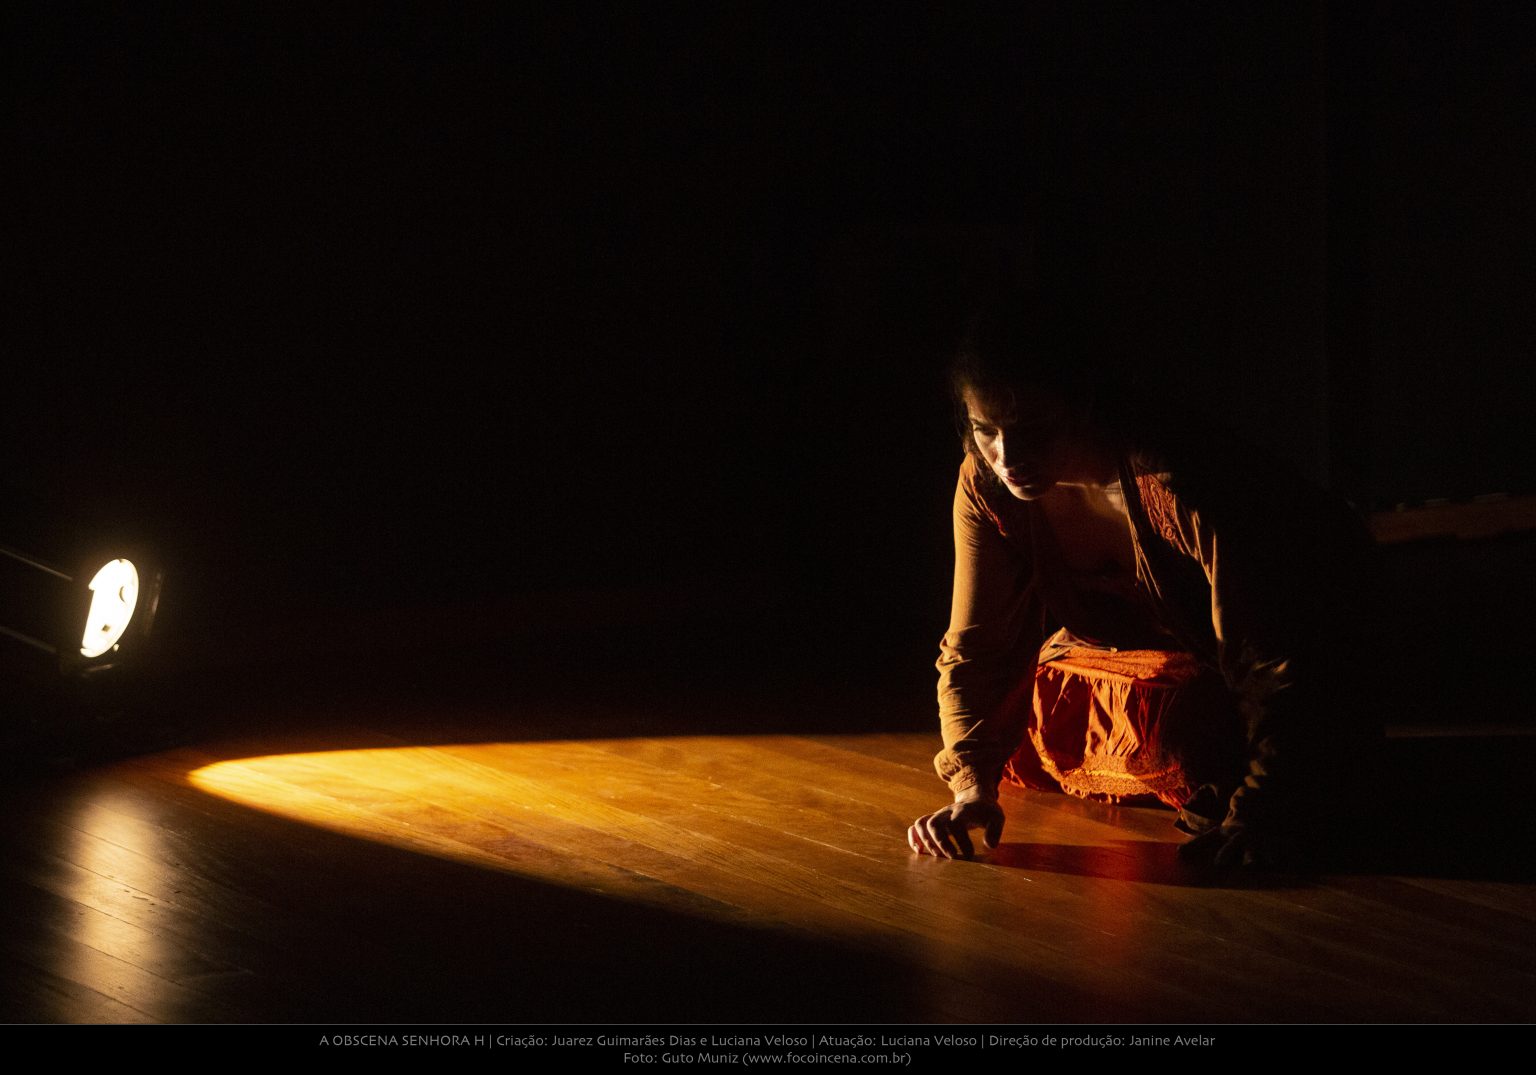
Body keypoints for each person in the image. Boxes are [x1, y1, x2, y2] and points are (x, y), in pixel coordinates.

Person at [907, 297, 1375, 868]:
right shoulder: (987, 486)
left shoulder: (1178, 479)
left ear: (1084, 406)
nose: (1008, 455)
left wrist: (1264, 807)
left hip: (1303, 644)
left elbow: (1272, 655)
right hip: (1141, 654)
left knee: (1185, 733)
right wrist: (971, 787)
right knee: (1042, 713)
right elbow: (979, 647)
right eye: (987, 431)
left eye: (1033, 431)